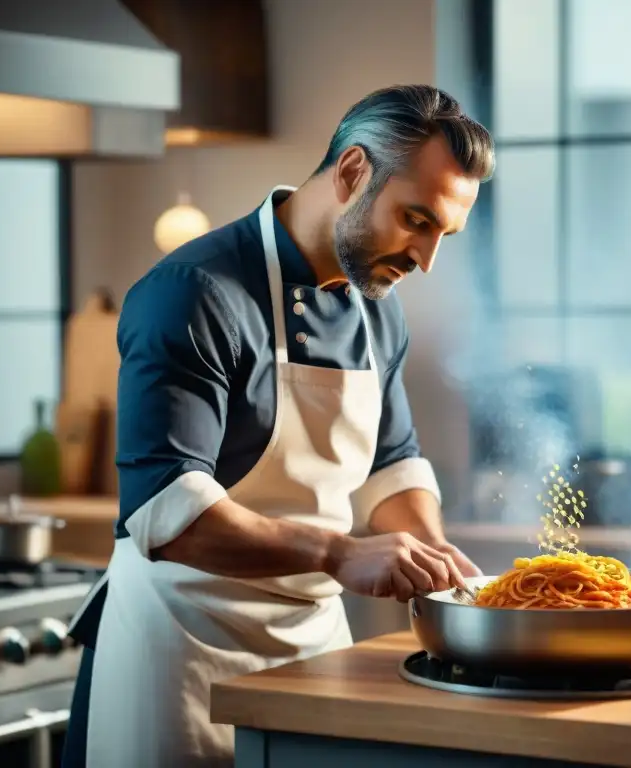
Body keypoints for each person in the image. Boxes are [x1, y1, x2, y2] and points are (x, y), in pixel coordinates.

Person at [60, 84, 495, 768]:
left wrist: (444, 567)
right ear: (353, 172)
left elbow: (392, 464)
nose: (425, 257)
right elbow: (166, 513)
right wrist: (339, 553)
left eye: (444, 233)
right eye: (416, 220)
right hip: (180, 649)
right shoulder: (193, 293)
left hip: (312, 645)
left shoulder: (378, 309)